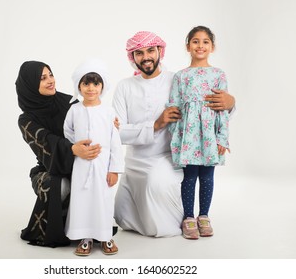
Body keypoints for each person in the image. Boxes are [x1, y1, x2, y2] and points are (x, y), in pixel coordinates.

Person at [112, 31, 235, 237]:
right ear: (132, 57)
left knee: (159, 218)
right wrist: (156, 124)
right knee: (122, 216)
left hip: (171, 157)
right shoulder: (124, 86)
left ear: (160, 51)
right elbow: (116, 132)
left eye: (150, 50)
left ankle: (193, 217)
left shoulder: (175, 77)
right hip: (135, 163)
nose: (146, 57)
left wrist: (231, 103)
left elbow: (210, 108)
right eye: (139, 53)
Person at [15, 61, 101, 247]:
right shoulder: (26, 119)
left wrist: (109, 123)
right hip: (48, 169)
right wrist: (71, 149)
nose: (50, 81)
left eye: (51, 75)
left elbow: (92, 122)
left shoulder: (69, 102)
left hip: (80, 162)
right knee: (59, 185)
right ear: (29, 84)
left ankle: (88, 227)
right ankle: (59, 227)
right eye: (42, 78)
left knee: (93, 177)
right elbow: (44, 142)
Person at [167, 26, 229, 239]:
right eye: (195, 41)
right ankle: (188, 218)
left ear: (212, 46)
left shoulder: (218, 75)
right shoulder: (180, 76)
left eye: (205, 42)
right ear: (188, 46)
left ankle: (204, 216)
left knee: (208, 177)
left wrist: (222, 138)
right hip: (188, 137)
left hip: (209, 135)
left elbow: (223, 110)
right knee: (190, 176)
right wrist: (176, 136)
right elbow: (173, 107)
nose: (200, 45)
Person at [64, 59, 124, 256]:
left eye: (95, 83)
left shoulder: (108, 112)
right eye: (86, 83)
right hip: (81, 165)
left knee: (103, 200)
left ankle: (105, 236)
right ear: (79, 86)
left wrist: (114, 169)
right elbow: (68, 132)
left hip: (102, 166)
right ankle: (85, 237)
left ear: (102, 86)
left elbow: (115, 143)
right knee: (82, 200)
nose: (91, 88)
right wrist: (78, 146)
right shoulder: (74, 110)